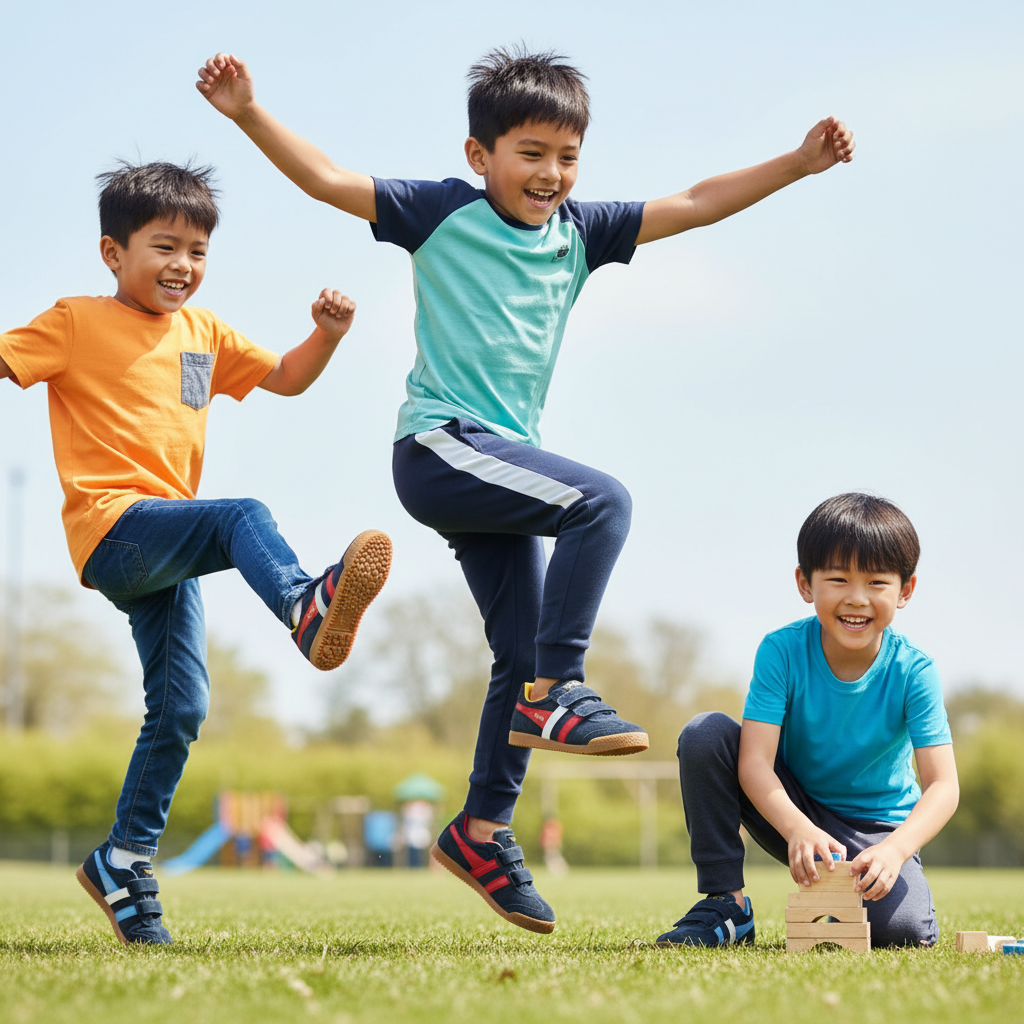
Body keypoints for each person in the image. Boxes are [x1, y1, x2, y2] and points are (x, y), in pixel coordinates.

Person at [196, 46, 855, 933]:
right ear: (481, 155)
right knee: (601, 503)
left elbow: (697, 201)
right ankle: (560, 689)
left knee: (518, 649)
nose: (551, 173)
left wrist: (797, 163)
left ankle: (481, 830)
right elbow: (326, 179)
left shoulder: (582, 231)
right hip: (441, 446)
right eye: (531, 153)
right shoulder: (440, 212)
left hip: (501, 466)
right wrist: (247, 111)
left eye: (567, 157)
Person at [0, 161, 392, 945]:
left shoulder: (203, 333)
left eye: (199, 251)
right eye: (165, 247)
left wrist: (327, 335)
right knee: (240, 516)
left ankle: (122, 860)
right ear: (113, 253)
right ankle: (302, 604)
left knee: (182, 707)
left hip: (167, 542)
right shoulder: (75, 321)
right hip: (115, 529)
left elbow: (286, 378)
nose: (184, 265)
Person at [656, 493, 958, 949]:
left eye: (877, 582)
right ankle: (727, 905)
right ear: (805, 583)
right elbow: (755, 762)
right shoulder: (781, 651)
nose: (856, 598)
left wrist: (895, 850)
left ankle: (848, 899)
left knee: (901, 933)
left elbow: (943, 786)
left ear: (905, 590)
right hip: (792, 808)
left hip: (877, 831)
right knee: (706, 734)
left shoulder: (915, 670)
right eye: (838, 579)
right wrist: (797, 828)